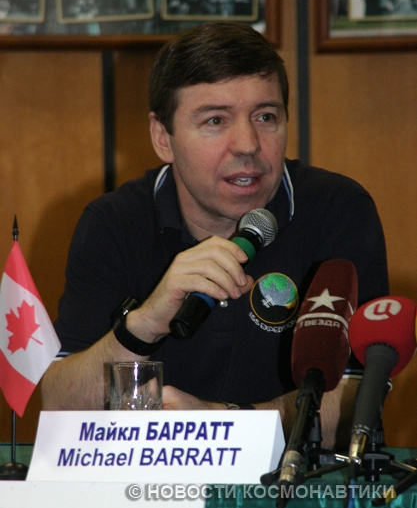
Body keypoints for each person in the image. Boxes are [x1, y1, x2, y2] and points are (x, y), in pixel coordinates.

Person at [41, 22, 389, 450]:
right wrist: (145, 324)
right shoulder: (113, 222)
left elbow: (358, 404)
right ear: (162, 138)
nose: (247, 144)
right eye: (215, 120)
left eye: (266, 117)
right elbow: (58, 408)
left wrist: (217, 423)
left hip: (298, 478)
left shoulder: (338, 210)